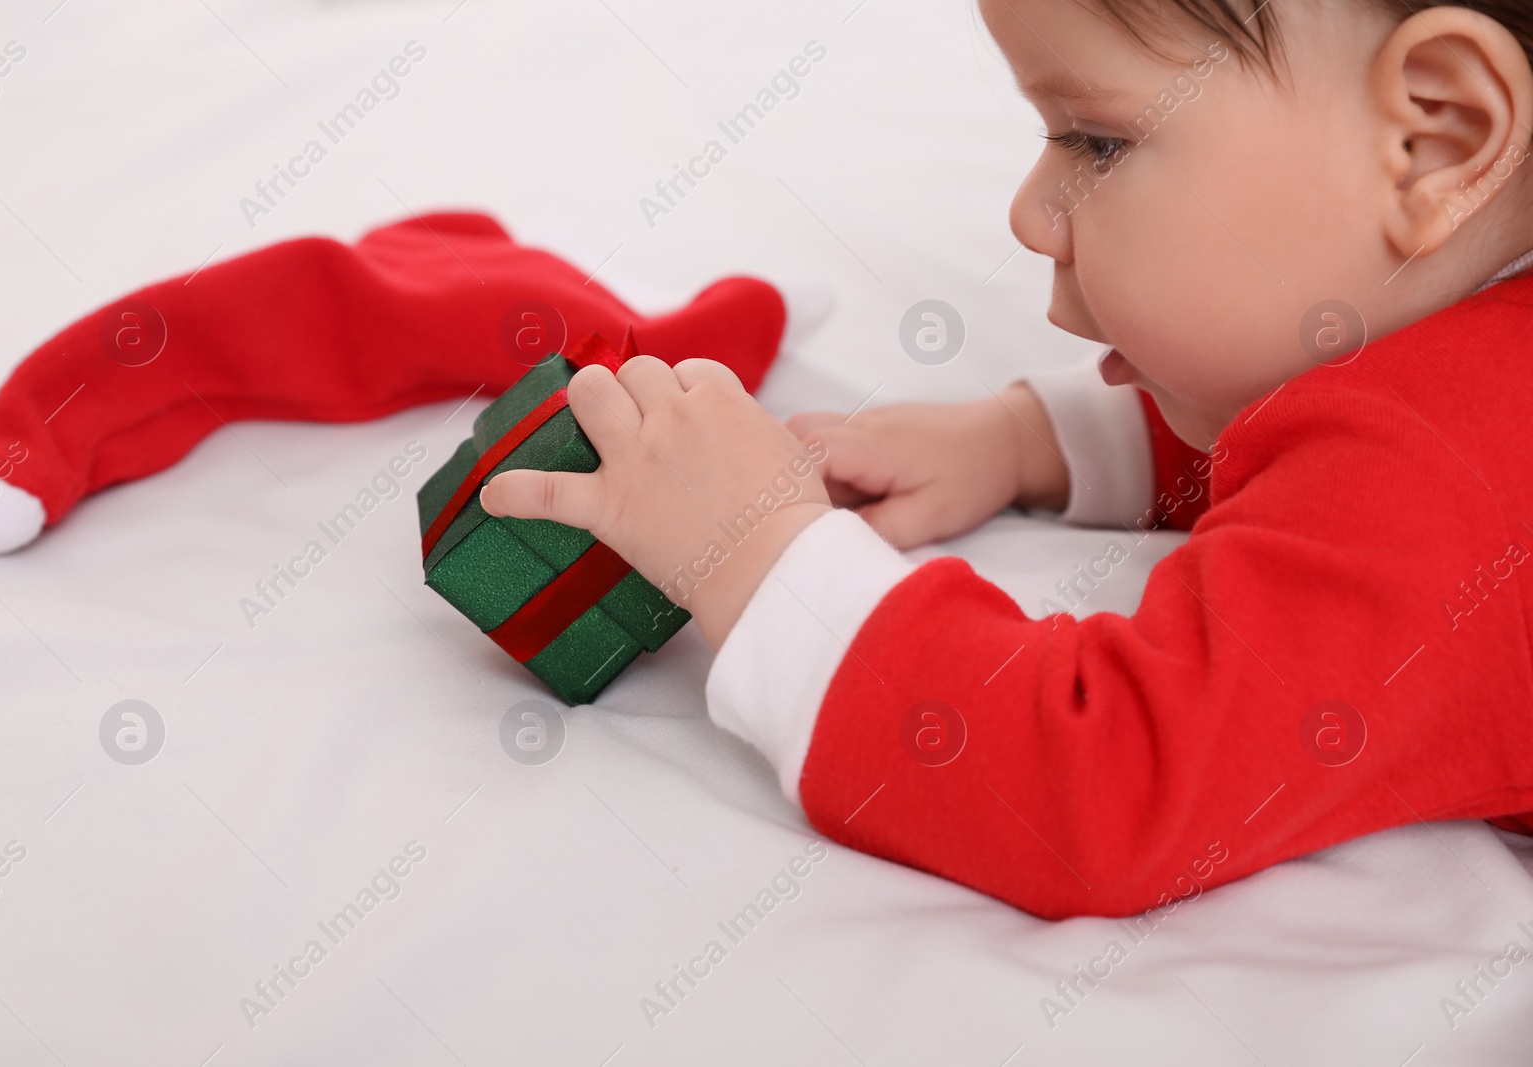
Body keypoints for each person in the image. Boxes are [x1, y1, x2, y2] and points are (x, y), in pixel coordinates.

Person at [482, 0, 1533, 918]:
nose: (1029, 214)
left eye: (1096, 142)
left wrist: (756, 558)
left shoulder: (1448, 475)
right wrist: (1028, 441)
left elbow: (1096, 788)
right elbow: (1314, 436)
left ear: (1436, 137)